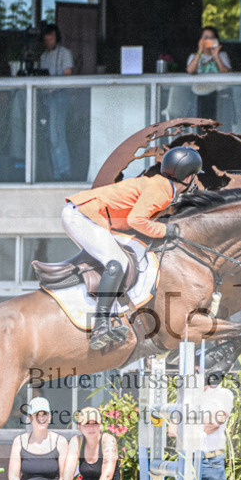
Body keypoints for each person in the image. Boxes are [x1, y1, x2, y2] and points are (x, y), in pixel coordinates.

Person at [62, 145, 203, 350]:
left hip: (88, 215)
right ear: (189, 178)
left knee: (133, 255)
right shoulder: (162, 190)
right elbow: (136, 220)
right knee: (117, 262)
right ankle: (101, 324)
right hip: (82, 216)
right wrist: (167, 231)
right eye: (195, 177)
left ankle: (114, 315)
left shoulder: (161, 186)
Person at [40, 24, 74, 181]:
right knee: (50, 136)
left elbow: (68, 74)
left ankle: (64, 171)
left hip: (59, 98)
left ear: (57, 37)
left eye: (51, 38)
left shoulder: (65, 53)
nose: (49, 42)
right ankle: (56, 172)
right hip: (46, 99)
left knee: (57, 136)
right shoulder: (43, 57)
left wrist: (54, 88)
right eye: (46, 39)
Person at [198, 371, 234, 480]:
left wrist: (187, 424)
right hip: (188, 459)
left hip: (211, 460)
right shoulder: (187, 394)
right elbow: (172, 429)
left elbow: (214, 423)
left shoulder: (222, 394)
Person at [186, 26, 231, 120]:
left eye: (211, 38)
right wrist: (199, 51)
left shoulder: (222, 55)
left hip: (219, 96)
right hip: (200, 97)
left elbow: (226, 73)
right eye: (206, 38)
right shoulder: (194, 56)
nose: (209, 40)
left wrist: (216, 56)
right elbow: (190, 70)